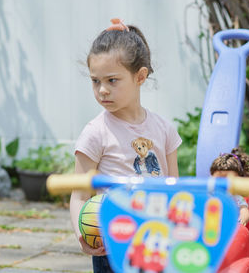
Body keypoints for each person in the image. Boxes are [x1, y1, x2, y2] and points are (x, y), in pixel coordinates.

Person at [70, 18, 182, 273]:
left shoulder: (164, 129)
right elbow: (79, 196)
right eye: (95, 81)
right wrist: (81, 234)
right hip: (113, 245)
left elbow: (175, 189)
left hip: (157, 240)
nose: (102, 90)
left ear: (140, 76)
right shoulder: (95, 133)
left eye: (112, 80)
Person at [210, 147, 249, 226]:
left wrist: (242, 220)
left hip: (230, 228)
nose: (224, 185)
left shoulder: (235, 197)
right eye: (219, 180)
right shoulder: (210, 194)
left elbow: (244, 210)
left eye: (228, 181)